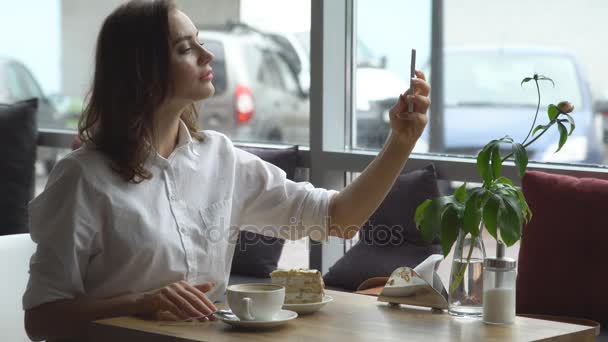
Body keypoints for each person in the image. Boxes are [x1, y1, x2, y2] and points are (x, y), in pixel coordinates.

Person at [22, 0, 430, 340]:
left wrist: (402, 141)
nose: (208, 54)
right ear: (141, 70)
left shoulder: (220, 157)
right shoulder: (81, 178)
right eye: (185, 49)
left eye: (200, 42)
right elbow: (41, 318)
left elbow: (339, 218)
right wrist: (139, 304)